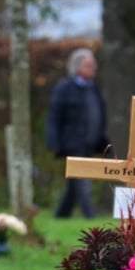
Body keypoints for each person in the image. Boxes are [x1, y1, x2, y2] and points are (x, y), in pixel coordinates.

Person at [46, 47, 109, 219]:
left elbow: (100, 115)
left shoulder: (94, 89)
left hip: (90, 143)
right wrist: (54, 143)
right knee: (82, 180)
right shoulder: (65, 88)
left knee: (74, 184)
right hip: (72, 143)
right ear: (78, 67)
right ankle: (91, 217)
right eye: (89, 65)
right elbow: (54, 117)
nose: (94, 68)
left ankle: (61, 215)